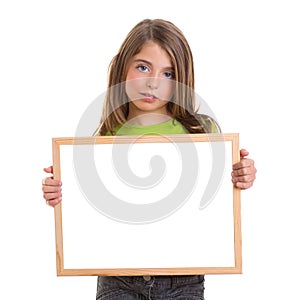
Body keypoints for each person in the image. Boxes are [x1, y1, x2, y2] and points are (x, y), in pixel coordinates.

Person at [42, 19, 256, 300]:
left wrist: (241, 175)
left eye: (168, 74)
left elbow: (216, 197)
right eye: (143, 67)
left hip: (183, 280)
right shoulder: (105, 137)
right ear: (122, 69)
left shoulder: (201, 132)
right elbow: (91, 208)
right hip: (118, 278)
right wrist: (58, 192)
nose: (153, 82)